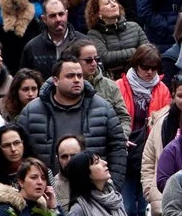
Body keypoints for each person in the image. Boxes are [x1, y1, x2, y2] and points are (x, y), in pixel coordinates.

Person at [18, 54, 126, 184]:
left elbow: (118, 148)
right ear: (56, 80)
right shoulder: (31, 111)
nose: (76, 80)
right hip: (46, 190)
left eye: (79, 76)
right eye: (70, 76)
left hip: (93, 189)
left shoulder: (103, 108)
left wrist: (113, 184)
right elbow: (20, 152)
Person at [85, 0, 151, 79]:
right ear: (98, 13)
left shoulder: (134, 27)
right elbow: (104, 58)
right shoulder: (94, 34)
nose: (113, 4)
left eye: (114, 1)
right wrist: (134, 51)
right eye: (107, 3)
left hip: (139, 76)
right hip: (112, 79)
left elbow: (148, 52)